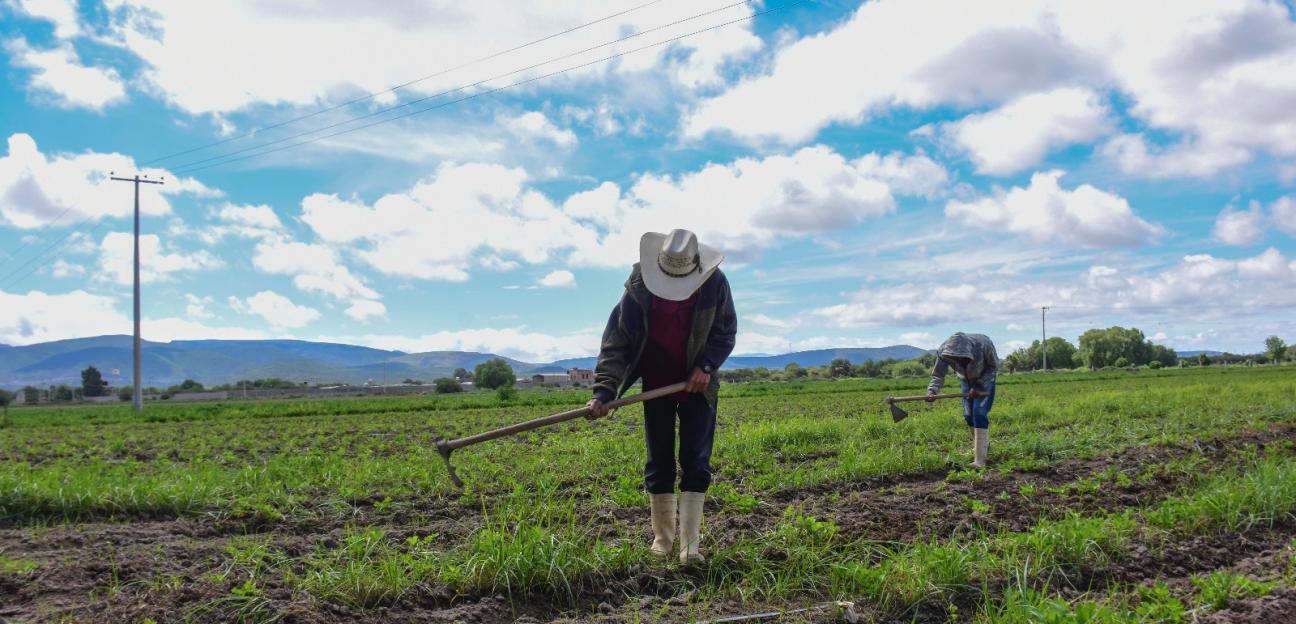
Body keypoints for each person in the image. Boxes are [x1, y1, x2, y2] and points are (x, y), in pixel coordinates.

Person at [586, 229, 737, 564]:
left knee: (696, 460)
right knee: (659, 461)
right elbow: (617, 343)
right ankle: (663, 541)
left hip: (698, 385)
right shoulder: (638, 288)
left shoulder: (715, 283)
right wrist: (604, 390)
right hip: (657, 384)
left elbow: (725, 331)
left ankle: (689, 547)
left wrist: (706, 365)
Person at [926, 332, 998, 468]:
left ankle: (980, 461)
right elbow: (938, 374)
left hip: (985, 379)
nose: (960, 362)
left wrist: (978, 386)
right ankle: (982, 447)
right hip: (965, 380)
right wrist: (932, 390)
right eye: (956, 360)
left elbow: (993, 367)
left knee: (979, 413)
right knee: (968, 415)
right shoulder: (943, 352)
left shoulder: (984, 344)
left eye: (962, 359)